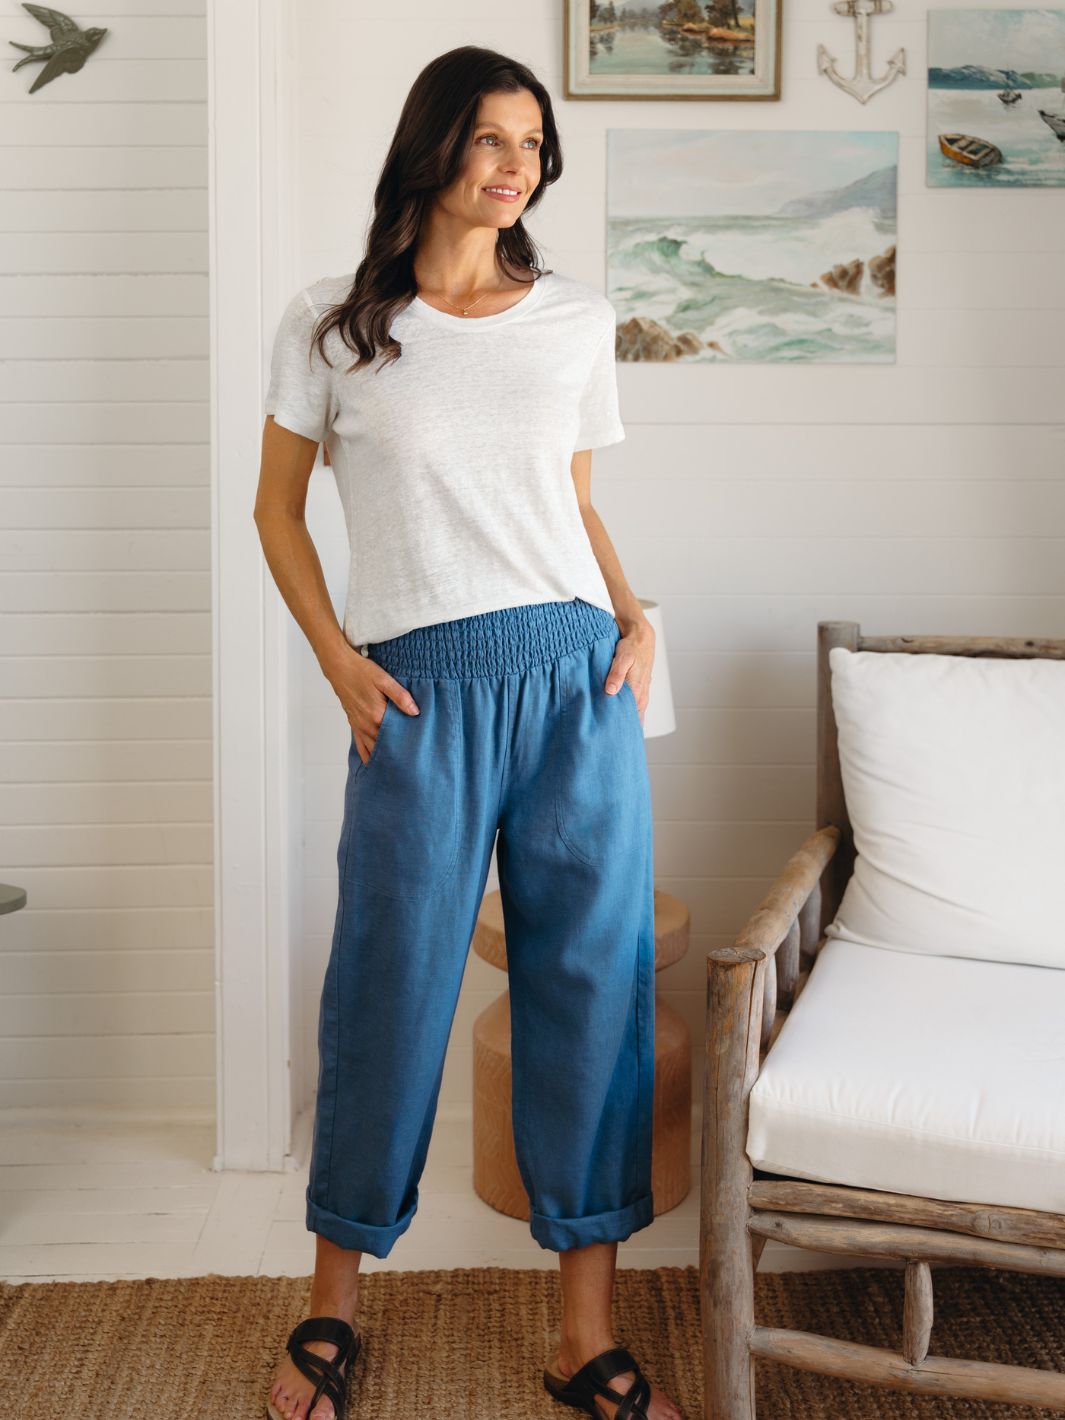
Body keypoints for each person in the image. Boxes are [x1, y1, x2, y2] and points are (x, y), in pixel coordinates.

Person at [256, 44, 678, 1420]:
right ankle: (330, 1309)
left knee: (592, 991)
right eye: (493, 139)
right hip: (419, 697)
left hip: (575, 685)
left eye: (534, 145)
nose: (518, 167)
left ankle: (583, 1337)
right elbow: (276, 511)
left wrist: (635, 614)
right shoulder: (332, 321)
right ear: (433, 146)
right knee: (386, 984)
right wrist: (334, 661)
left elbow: (567, 499)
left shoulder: (571, 318)